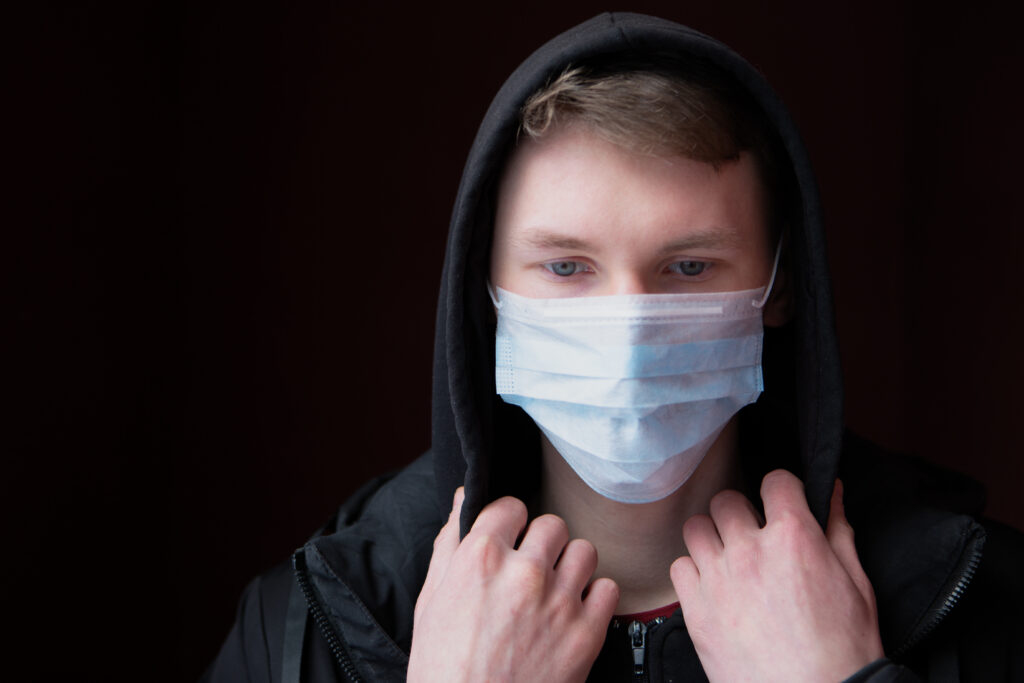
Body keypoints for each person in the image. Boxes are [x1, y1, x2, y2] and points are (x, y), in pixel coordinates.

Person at [203, 13, 1023, 682]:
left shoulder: (975, 599)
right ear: (484, 292)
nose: (630, 325)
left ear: (779, 286)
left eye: (689, 265)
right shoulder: (314, 625)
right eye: (566, 266)